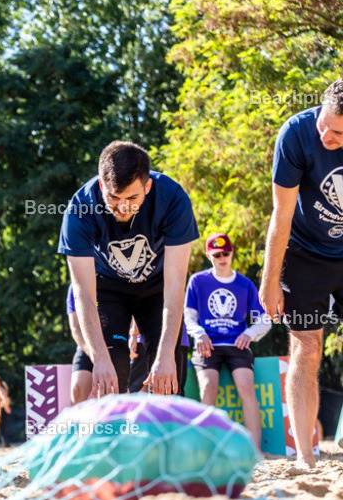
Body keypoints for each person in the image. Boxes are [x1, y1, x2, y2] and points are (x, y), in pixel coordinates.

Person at [59, 141, 199, 396]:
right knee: (112, 366)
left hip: (158, 287)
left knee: (169, 372)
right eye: (113, 197)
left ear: (148, 186)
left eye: (132, 198)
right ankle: (115, 432)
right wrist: (98, 357)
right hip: (109, 288)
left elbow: (177, 282)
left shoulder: (174, 200)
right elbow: (83, 292)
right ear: (101, 185)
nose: (122, 207)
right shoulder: (79, 210)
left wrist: (166, 353)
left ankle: (165, 434)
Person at [260, 79, 343, 468]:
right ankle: (306, 458)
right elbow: (282, 213)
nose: (326, 135)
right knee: (306, 346)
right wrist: (269, 279)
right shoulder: (296, 134)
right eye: (324, 125)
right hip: (305, 252)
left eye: (338, 132)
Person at [186, 233, 270, 448]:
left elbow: (265, 320)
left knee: (246, 386)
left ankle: (255, 450)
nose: (222, 257)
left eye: (225, 253)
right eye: (216, 255)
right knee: (208, 386)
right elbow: (189, 317)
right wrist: (199, 334)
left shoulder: (245, 284)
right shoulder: (198, 281)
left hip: (236, 344)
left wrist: (249, 333)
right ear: (208, 256)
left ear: (231, 252)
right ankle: (204, 448)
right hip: (208, 344)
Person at [66, 285, 94, 404]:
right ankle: (78, 422)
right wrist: (95, 355)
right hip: (87, 346)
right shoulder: (74, 287)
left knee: (109, 390)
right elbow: (75, 328)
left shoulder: (110, 279)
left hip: (116, 342)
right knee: (77, 389)